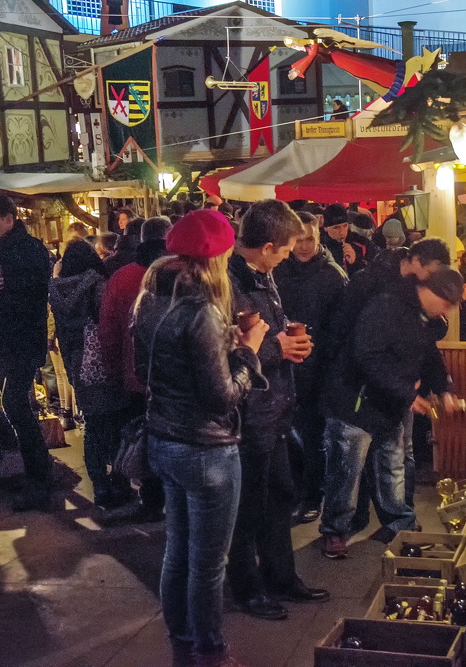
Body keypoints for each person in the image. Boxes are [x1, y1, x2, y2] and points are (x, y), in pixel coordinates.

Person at [133, 210, 269, 667]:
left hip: (163, 441)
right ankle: (210, 648)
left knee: (178, 548)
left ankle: (182, 636)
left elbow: (144, 371)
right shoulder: (203, 310)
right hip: (206, 450)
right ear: (218, 255)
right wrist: (248, 355)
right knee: (209, 562)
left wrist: (223, 346)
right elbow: (222, 398)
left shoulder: (151, 300)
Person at [227, 199, 329, 621]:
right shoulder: (229, 281)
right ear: (267, 246)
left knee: (280, 495)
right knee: (249, 505)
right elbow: (226, 347)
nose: (289, 256)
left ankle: (282, 577)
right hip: (249, 412)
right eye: (286, 249)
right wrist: (276, 348)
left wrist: (288, 340)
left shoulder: (264, 276)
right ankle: (247, 588)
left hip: (275, 407)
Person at [320, 268, 464, 558]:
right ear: (432, 293)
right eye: (446, 305)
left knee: (392, 467)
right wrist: (407, 394)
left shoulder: (422, 316)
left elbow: (429, 355)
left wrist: (444, 388)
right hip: (355, 403)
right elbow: (366, 357)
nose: (446, 312)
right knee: (346, 471)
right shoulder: (386, 308)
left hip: (390, 406)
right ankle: (335, 531)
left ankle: (400, 523)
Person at [0, 193, 53, 511]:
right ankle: (38, 473)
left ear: (8, 218)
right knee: (16, 405)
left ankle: (39, 478)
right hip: (3, 341)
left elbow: (34, 296)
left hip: (23, 339)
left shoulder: (31, 251)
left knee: (14, 403)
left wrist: (0, 294)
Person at [273, 211, 348, 524]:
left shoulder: (333, 276)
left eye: (309, 239)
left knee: (314, 436)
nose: (303, 246)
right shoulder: (278, 271)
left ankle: (311, 495)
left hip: (318, 370)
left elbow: (342, 328)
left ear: (319, 237)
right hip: (282, 367)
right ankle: (292, 493)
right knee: (287, 436)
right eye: (298, 239)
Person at [98, 215, 171, 522]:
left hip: (136, 376)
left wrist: (115, 368)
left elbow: (109, 329)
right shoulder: (183, 272)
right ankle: (177, 499)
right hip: (176, 378)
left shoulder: (123, 277)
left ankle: (152, 500)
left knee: (145, 439)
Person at [50, 241, 132, 510]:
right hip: (102, 360)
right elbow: (107, 323)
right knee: (117, 425)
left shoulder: (56, 290)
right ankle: (119, 484)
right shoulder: (97, 285)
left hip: (77, 364)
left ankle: (100, 487)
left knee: (93, 428)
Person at [320, 204, 371, 275]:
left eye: (345, 226)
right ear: (326, 228)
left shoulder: (361, 243)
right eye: (336, 228)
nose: (342, 232)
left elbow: (373, 271)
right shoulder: (319, 247)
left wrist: (355, 261)